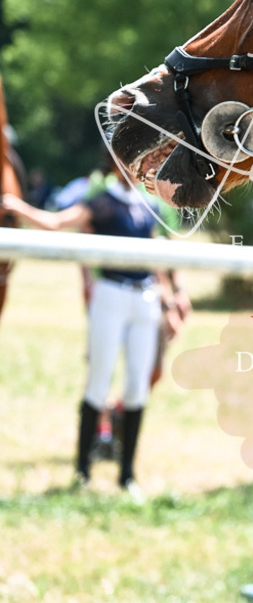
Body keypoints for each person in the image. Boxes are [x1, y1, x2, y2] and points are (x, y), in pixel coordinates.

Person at [2, 164, 182, 499]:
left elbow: (158, 258)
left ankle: (127, 474)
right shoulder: (100, 201)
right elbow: (58, 223)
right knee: (98, 382)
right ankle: (82, 468)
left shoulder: (149, 204)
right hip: (111, 294)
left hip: (144, 300)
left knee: (137, 386)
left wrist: (170, 301)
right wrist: (19, 208)